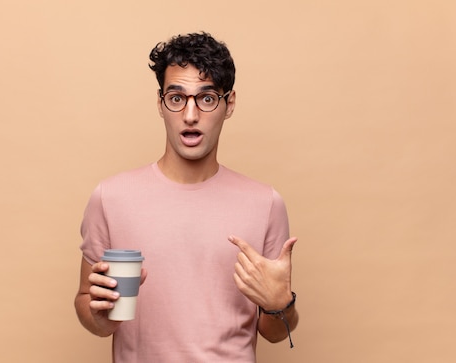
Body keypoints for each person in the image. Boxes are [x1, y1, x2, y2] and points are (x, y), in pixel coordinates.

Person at [74, 31, 298, 362]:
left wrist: (281, 305)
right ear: (161, 103)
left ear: (229, 103)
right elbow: (86, 304)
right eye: (177, 98)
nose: (190, 115)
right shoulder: (110, 197)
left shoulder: (266, 203)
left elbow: (276, 332)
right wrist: (100, 316)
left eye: (206, 99)